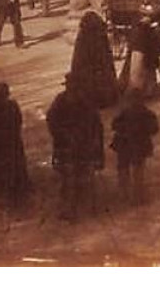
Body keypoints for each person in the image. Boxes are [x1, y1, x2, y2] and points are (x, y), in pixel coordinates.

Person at [46, 74, 104, 221]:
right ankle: (75, 208)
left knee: (74, 176)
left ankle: (80, 207)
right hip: (71, 145)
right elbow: (52, 120)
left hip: (79, 145)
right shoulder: (65, 100)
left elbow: (95, 125)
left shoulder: (78, 101)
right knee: (72, 176)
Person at [0, 82, 31, 202]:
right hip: (10, 140)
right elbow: (18, 120)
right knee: (14, 163)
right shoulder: (11, 105)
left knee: (1, 165)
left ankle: (3, 187)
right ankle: (18, 185)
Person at [111, 90, 160, 205]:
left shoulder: (126, 113)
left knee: (127, 170)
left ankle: (127, 195)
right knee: (134, 171)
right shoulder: (146, 113)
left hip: (127, 144)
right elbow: (154, 129)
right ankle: (134, 196)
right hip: (135, 145)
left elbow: (114, 125)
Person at [122, 13, 160, 98]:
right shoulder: (148, 32)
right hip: (142, 53)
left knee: (138, 72)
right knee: (142, 72)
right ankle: (143, 90)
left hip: (139, 52)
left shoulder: (139, 31)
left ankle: (139, 90)